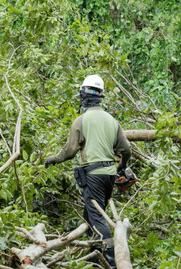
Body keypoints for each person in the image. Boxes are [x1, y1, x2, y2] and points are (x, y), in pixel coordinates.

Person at [44, 74, 131, 268]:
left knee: (98, 220)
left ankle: (112, 261)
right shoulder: (112, 121)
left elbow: (70, 151)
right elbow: (126, 150)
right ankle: (95, 261)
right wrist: (122, 167)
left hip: (93, 176)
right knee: (90, 215)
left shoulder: (80, 121)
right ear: (100, 96)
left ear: (83, 96)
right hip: (109, 175)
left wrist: (53, 159)